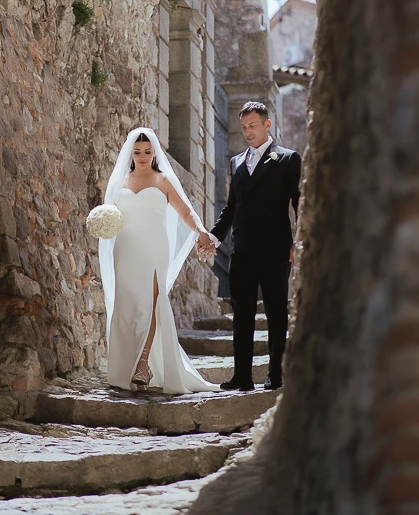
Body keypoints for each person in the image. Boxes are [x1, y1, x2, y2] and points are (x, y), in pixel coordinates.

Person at [98, 127, 221, 394]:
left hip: (155, 249)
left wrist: (200, 231)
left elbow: (186, 212)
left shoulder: (163, 180)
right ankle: (124, 368)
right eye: (138, 152)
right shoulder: (120, 182)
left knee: (151, 304)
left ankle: (143, 365)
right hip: (125, 249)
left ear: (154, 153)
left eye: (147, 152)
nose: (142, 156)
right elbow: (111, 216)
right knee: (127, 306)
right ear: (131, 154)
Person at [203, 101, 301, 391]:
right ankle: (242, 376)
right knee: (242, 315)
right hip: (242, 251)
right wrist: (213, 236)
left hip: (276, 250)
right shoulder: (236, 162)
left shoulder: (287, 159)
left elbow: (300, 203)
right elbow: (232, 208)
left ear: (267, 124)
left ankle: (276, 374)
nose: (247, 132)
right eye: (244, 127)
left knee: (276, 313)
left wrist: (300, 241)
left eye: (253, 126)